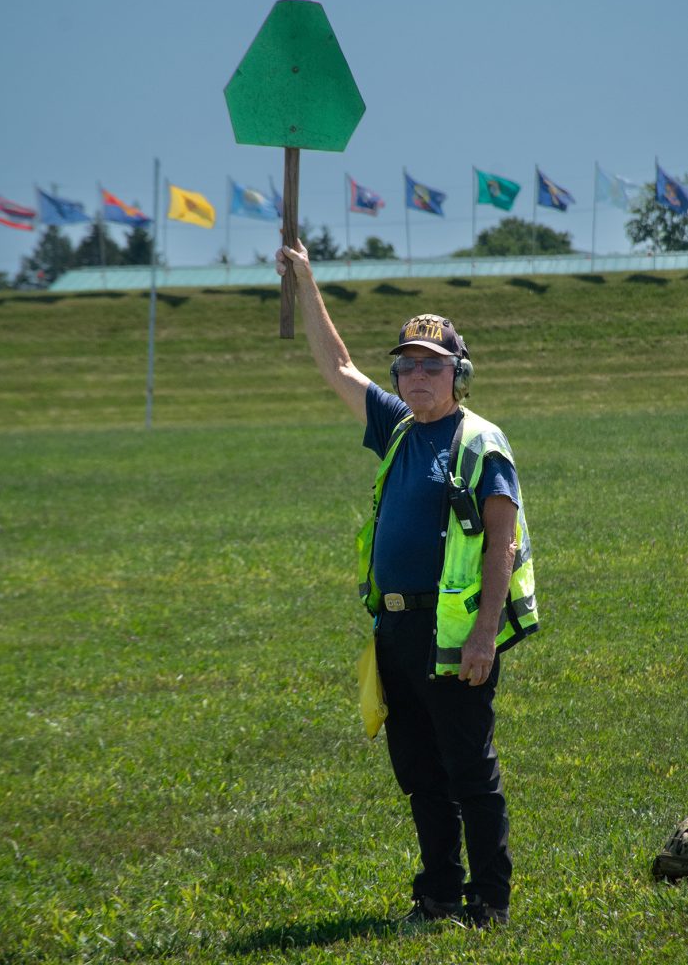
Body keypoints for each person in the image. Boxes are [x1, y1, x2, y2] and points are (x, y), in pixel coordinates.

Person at [275, 241, 538, 929]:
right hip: (393, 629)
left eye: (432, 365)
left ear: (459, 374)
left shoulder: (480, 441)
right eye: (407, 364)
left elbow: (501, 544)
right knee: (420, 775)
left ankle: (490, 903)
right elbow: (335, 363)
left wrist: (484, 633)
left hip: (452, 635)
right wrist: (305, 278)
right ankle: (437, 897)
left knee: (468, 774)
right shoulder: (395, 425)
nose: (416, 375)